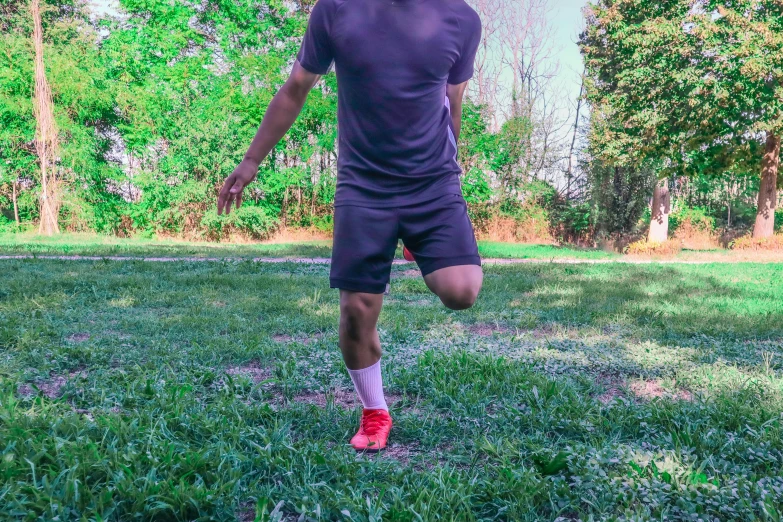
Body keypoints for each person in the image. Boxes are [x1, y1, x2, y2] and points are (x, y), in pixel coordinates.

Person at [218, 0, 483, 452]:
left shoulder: (461, 19)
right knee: (357, 313)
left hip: (433, 183)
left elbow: (451, 101)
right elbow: (295, 88)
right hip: (365, 186)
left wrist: (452, 172)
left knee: (462, 292)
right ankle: (375, 411)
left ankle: (418, 242)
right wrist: (250, 160)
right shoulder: (336, 11)